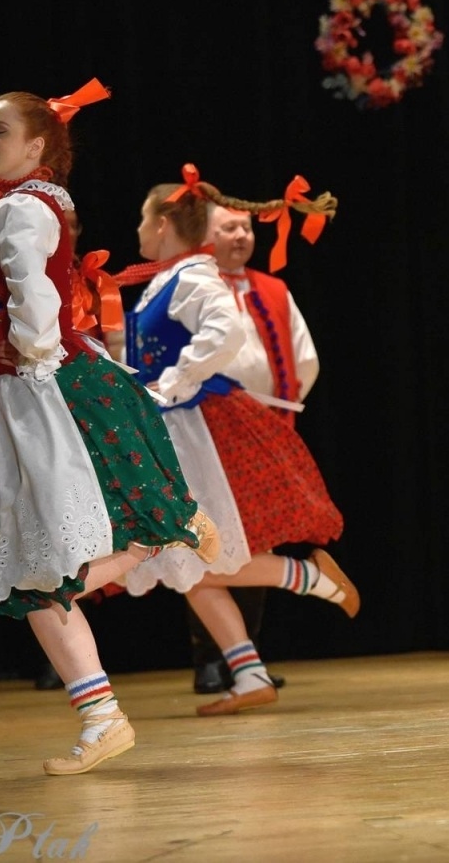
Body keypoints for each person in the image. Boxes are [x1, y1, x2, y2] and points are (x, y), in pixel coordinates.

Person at [0, 79, 219, 774]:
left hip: (41, 390)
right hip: (22, 390)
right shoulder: (20, 206)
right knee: (26, 569)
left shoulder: (21, 212)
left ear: (37, 145)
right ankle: (101, 713)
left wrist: (27, 359)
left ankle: (163, 536)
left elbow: (34, 299)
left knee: (34, 568)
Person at [115, 166, 360, 716]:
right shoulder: (166, 279)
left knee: (197, 552)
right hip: (179, 428)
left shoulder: (194, 277)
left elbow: (223, 333)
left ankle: (306, 575)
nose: (136, 230)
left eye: (141, 219)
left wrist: (174, 383)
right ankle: (247, 673)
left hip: (202, 428)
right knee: (189, 558)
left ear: (161, 224)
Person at [181, 200, 325, 693]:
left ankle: (248, 657)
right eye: (229, 228)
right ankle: (210, 658)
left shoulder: (274, 290)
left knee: (258, 539)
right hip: (204, 431)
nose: (241, 236)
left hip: (263, 430)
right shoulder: (188, 287)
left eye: (245, 228)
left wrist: (278, 414)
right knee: (207, 540)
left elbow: (305, 359)